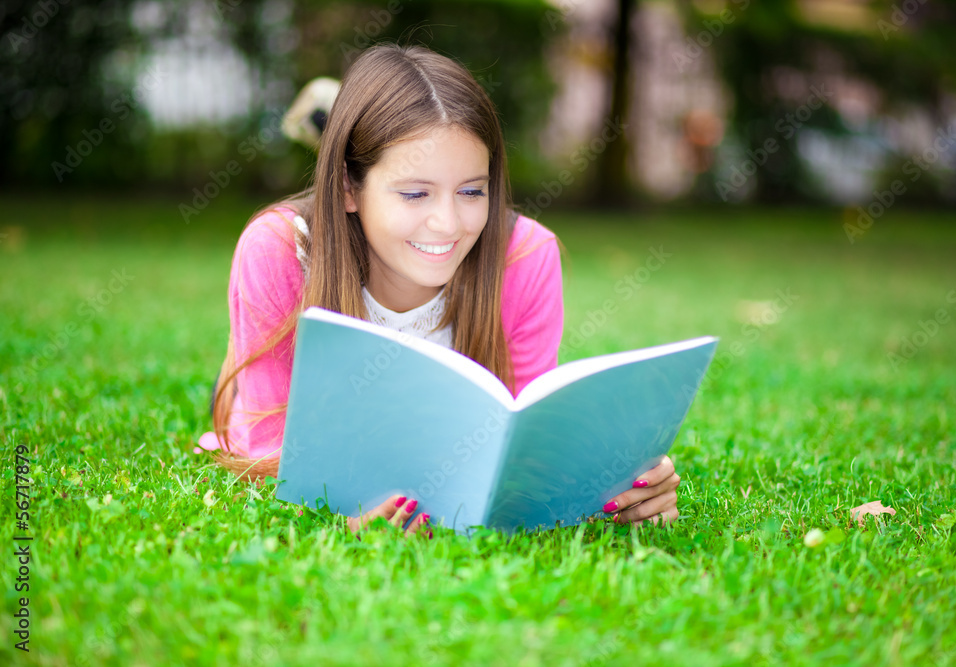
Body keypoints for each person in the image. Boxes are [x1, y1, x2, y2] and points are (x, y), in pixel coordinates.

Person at [195, 42, 682, 536]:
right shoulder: (279, 248)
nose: (448, 223)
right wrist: (341, 513)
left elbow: (529, 451)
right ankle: (338, 133)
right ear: (347, 188)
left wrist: (622, 481)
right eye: (415, 193)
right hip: (278, 374)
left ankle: (352, 135)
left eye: (471, 191)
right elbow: (268, 451)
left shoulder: (526, 255)